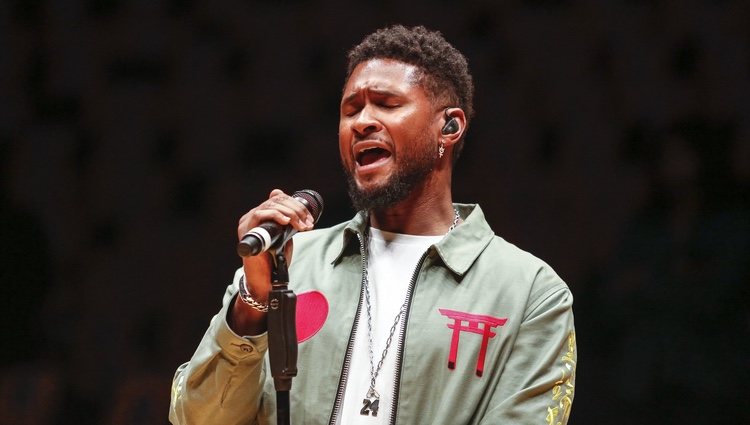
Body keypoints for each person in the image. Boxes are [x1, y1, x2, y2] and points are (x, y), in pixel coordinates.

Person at [169, 25, 576, 425]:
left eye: (386, 104)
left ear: (449, 127)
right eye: (351, 109)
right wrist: (253, 302)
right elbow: (196, 418)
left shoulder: (529, 293)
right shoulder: (289, 265)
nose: (361, 121)